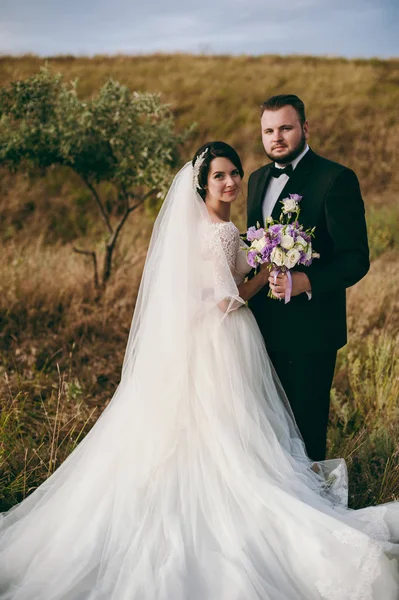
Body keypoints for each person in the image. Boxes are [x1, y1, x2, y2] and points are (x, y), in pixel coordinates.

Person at [0, 141, 398, 600]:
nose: (231, 183)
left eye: (235, 174)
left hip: (203, 338)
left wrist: (270, 251)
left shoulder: (211, 225)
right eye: (220, 176)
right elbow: (227, 298)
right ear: (202, 183)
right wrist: (265, 268)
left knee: (210, 428)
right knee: (228, 430)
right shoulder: (221, 231)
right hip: (223, 336)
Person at [247, 94, 370, 461]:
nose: (277, 137)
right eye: (268, 130)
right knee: (267, 429)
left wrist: (306, 282)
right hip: (258, 329)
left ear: (305, 128)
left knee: (306, 433)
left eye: (285, 127)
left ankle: (314, 506)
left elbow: (356, 260)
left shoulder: (336, 179)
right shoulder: (255, 180)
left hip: (312, 331)